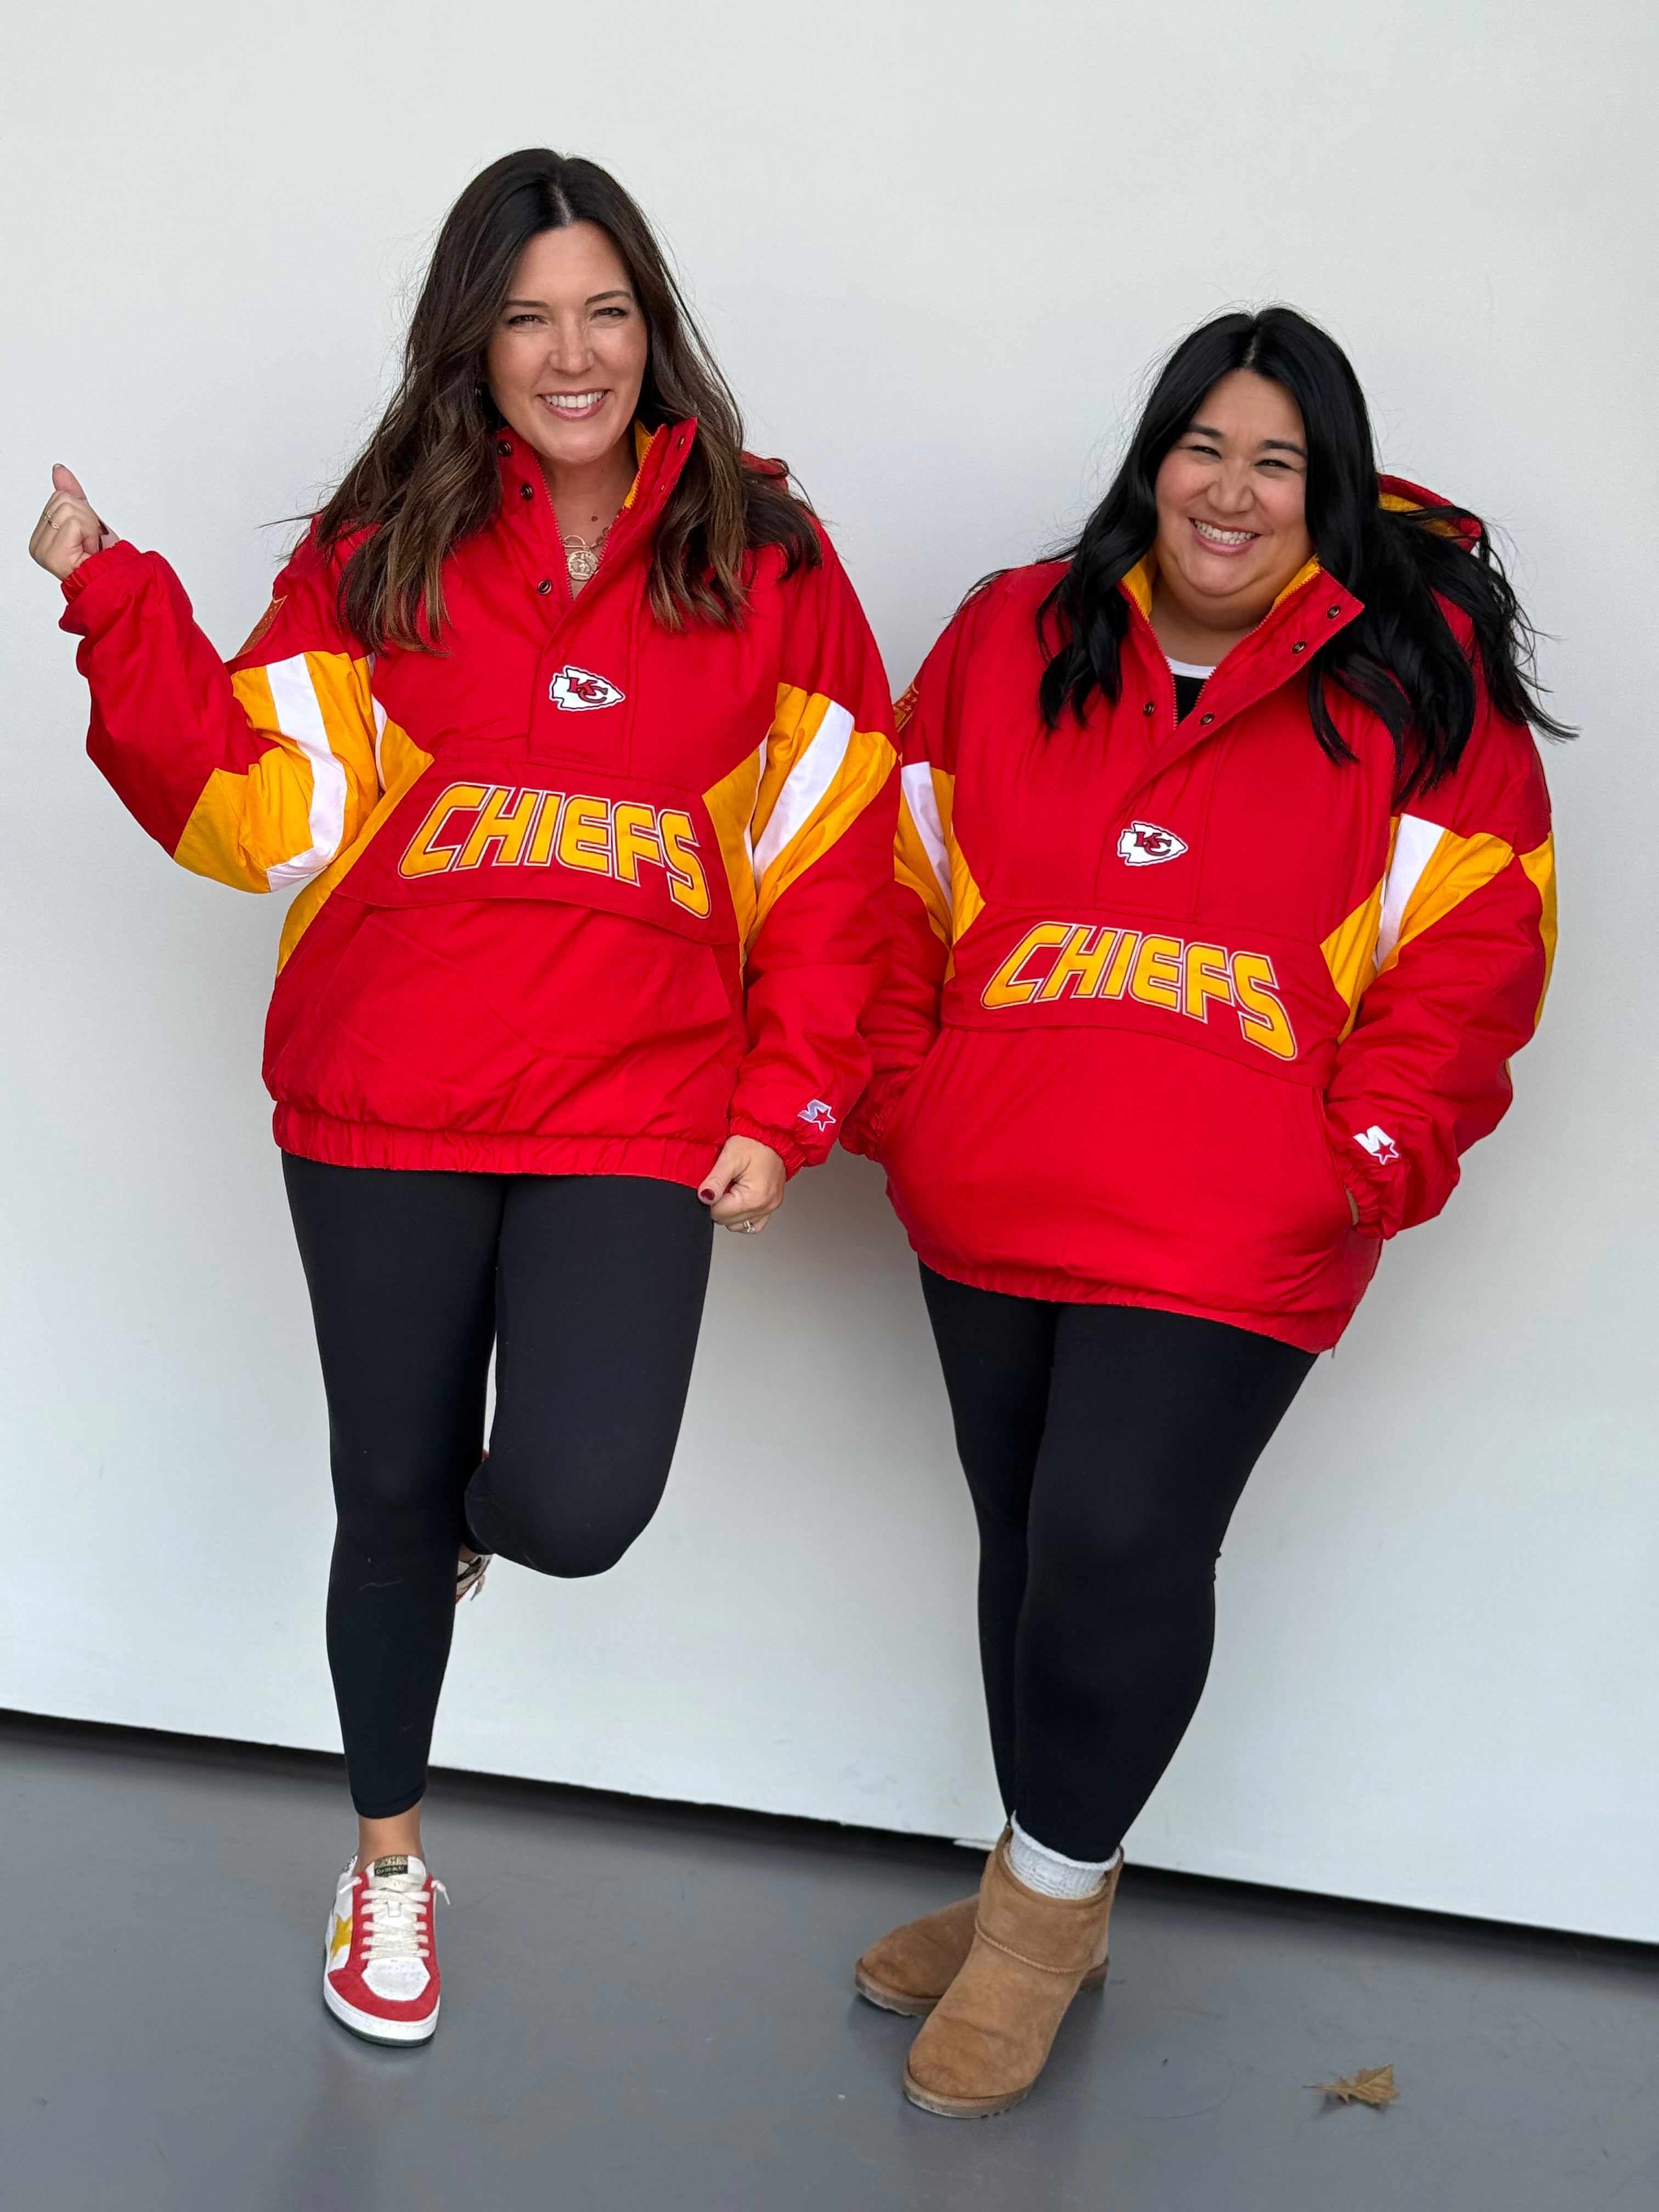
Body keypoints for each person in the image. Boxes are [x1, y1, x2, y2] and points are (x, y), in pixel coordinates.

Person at [31, 148, 896, 2047]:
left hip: (636, 1104)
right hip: (387, 1100)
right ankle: (391, 1865)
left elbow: (839, 856)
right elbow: (254, 805)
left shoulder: (765, 555)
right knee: (388, 1485)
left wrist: (788, 1098)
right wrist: (115, 602)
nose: (572, 355)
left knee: (577, 1499)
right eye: (527, 319)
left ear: (651, 329)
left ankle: (458, 1527)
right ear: (473, 343)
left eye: (605, 313)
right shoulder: (382, 544)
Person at [843, 306, 1562, 2118]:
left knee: (1117, 1540)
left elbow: (1478, 948)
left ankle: (1036, 1930)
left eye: (1277, 463)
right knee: (1027, 1543)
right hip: (998, 1174)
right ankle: (1048, 1878)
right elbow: (891, 871)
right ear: (1151, 459)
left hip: (1235, 1218)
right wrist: (906, 1099)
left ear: (1331, 492)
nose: (1230, 494)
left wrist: (1359, 1160)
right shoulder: (1017, 631)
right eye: (1204, 448)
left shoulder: (1414, 680)